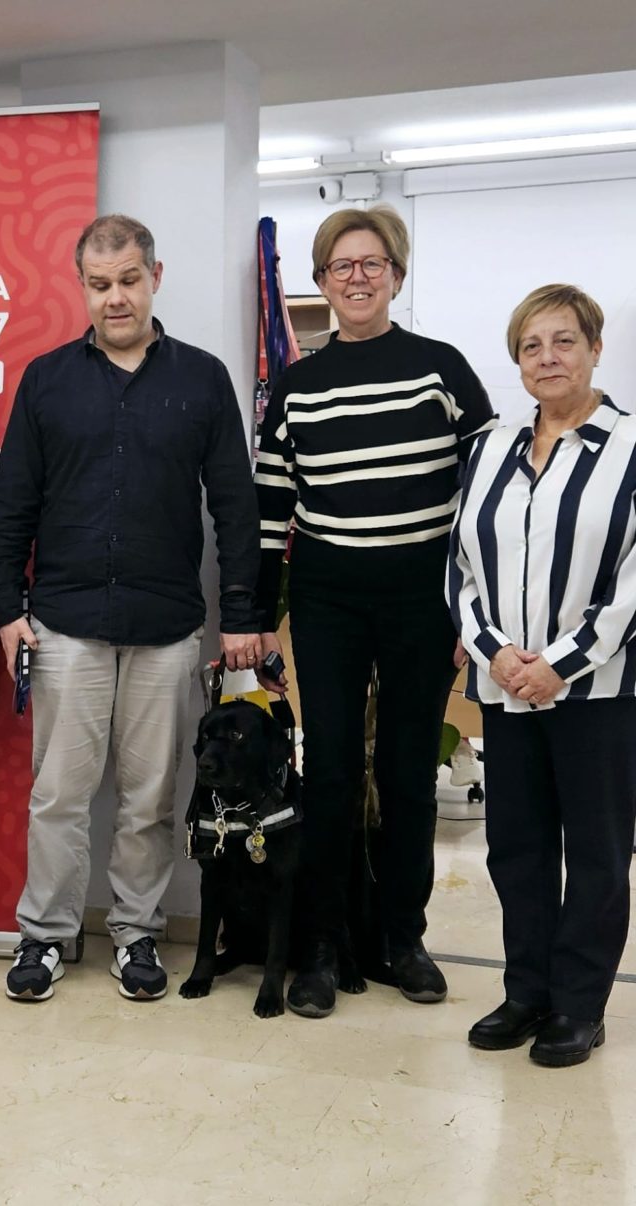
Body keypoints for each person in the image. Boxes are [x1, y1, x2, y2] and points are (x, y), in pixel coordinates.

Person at [0, 213, 261, 1004]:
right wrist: (8, 611)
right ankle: (46, 935)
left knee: (149, 798)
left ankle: (136, 933)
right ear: (83, 287)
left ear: (156, 277)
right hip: (64, 623)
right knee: (60, 798)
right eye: (100, 285)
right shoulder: (46, 380)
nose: (116, 298)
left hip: (168, 628)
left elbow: (236, 507)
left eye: (129, 280)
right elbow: (13, 508)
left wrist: (239, 612)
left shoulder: (202, 379)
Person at [253, 205, 495, 1019]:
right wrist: (252, 611)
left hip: (422, 598)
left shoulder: (442, 368)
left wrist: (476, 610)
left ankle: (403, 940)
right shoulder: (299, 382)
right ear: (321, 282)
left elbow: (488, 496)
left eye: (372, 263)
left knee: (406, 773)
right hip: (328, 598)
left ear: (395, 272)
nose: (356, 277)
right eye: (340, 266)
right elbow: (269, 503)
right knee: (328, 771)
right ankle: (323, 949)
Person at [450, 284, 636, 1067]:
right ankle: (525, 989)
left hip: (594, 690)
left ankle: (579, 1004)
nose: (548, 357)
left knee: (596, 850)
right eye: (532, 345)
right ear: (517, 360)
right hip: (504, 685)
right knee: (515, 846)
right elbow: (458, 565)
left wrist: (559, 663)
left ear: (595, 348)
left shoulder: (629, 446)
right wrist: (493, 650)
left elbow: (634, 579)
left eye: (565, 341)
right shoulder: (489, 445)